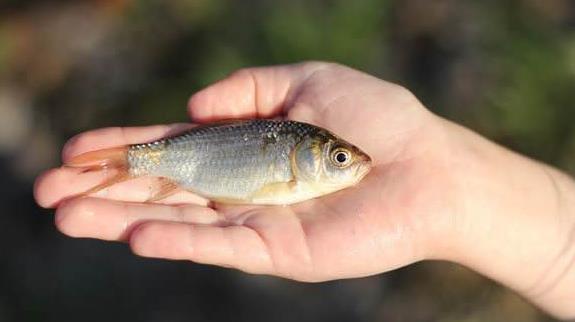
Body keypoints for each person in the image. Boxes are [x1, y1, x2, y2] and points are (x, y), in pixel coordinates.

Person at [34, 62, 575, 320]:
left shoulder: (301, 161)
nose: (352, 165)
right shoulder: (291, 165)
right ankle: (120, 166)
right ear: (310, 156)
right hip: (199, 161)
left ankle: (118, 166)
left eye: (341, 157)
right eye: (339, 158)